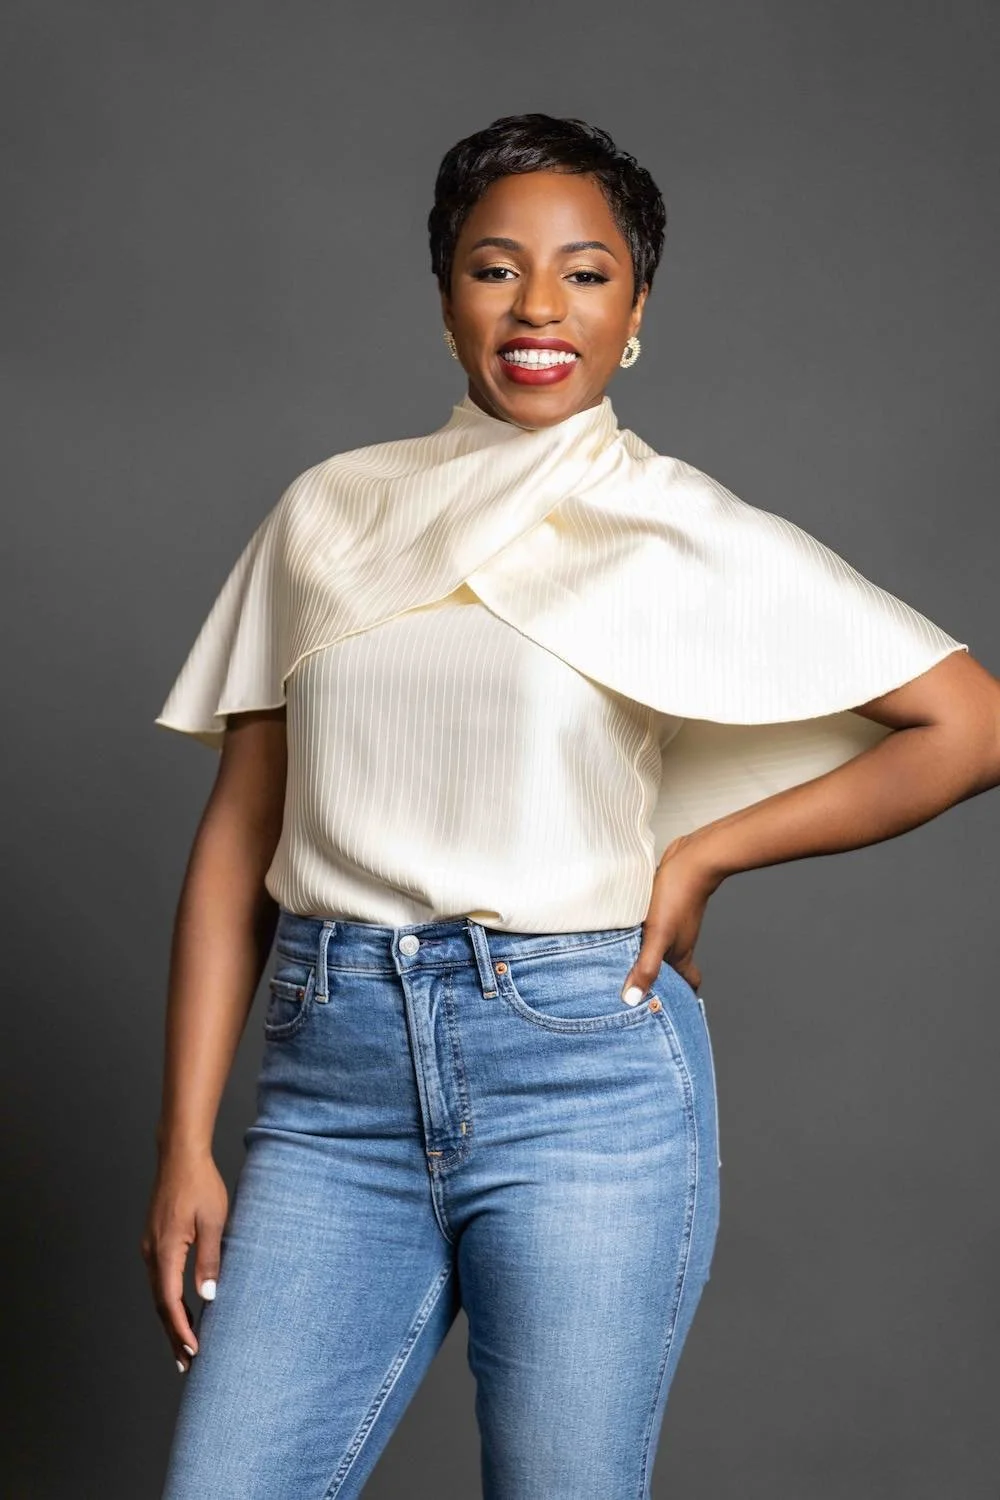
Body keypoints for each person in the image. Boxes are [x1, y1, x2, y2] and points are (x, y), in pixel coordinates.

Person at [142, 113, 1000, 1500]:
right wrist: (186, 1142)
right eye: (495, 269)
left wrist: (710, 852)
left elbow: (970, 724)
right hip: (331, 1086)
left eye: (587, 272)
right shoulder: (331, 513)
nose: (540, 307)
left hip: (583, 1079)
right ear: (444, 298)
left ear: (637, 305)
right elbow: (242, 836)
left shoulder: (675, 525)